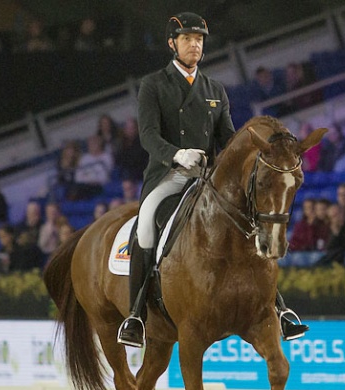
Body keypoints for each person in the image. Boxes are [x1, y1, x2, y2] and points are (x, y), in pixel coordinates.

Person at [117, 12, 308, 347]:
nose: (195, 45)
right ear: (172, 44)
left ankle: (279, 308)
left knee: (248, 228)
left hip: (209, 178)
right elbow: (147, 136)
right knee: (146, 223)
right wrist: (177, 154)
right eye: (188, 39)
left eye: (200, 40)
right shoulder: (154, 85)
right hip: (170, 174)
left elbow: (230, 140)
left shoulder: (214, 89)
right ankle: (136, 315)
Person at [115, 117, 148, 184]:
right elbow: (119, 162)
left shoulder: (143, 143)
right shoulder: (121, 145)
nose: (130, 130)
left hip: (142, 175)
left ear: (137, 128)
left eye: (132, 128)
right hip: (127, 177)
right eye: (127, 128)